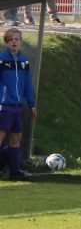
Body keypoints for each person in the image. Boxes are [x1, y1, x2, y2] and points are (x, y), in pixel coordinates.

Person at [0, 27, 36, 181]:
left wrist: (32, 103)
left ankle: (14, 170)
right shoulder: (1, 61)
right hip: (4, 106)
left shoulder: (24, 62)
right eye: (11, 39)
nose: (14, 42)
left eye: (17, 39)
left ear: (21, 42)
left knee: (17, 137)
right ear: (6, 43)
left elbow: (28, 84)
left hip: (18, 107)